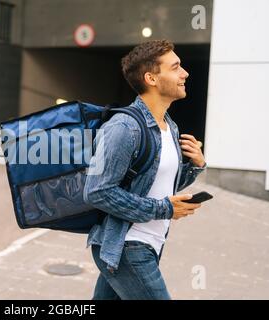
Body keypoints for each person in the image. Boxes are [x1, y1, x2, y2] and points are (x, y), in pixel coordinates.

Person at [83, 39, 207, 300]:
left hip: (152, 243)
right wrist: (164, 208)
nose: (185, 73)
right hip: (127, 246)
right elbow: (97, 191)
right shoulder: (123, 128)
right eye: (175, 67)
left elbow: (155, 183)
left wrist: (195, 166)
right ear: (151, 78)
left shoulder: (169, 126)